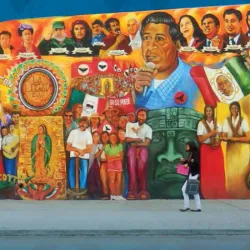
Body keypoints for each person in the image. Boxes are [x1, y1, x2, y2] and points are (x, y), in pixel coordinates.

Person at [134, 12, 199, 110]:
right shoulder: (135, 82)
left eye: (160, 39)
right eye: (146, 38)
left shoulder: (195, 80)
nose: (150, 47)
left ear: (177, 45)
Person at [197, 105, 229, 199]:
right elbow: (200, 139)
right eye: (207, 111)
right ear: (205, 112)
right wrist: (211, 133)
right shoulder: (201, 123)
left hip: (216, 149)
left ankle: (219, 192)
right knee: (207, 171)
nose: (208, 112)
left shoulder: (217, 122)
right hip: (206, 149)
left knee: (218, 170)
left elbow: (221, 136)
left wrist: (218, 142)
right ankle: (207, 192)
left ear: (213, 112)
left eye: (210, 111)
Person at [221, 101, 250, 198]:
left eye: (236, 108)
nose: (234, 110)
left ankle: (243, 194)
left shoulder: (243, 120)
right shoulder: (226, 120)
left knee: (242, 172)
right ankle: (233, 194)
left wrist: (234, 139)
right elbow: (223, 136)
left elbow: (248, 138)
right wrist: (225, 138)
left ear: (238, 109)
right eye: (232, 108)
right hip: (231, 150)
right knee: (231, 172)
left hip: (242, 149)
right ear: (230, 109)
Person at [125, 108, 152, 200]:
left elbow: (146, 143)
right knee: (132, 170)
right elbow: (127, 139)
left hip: (143, 149)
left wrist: (135, 143)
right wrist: (136, 140)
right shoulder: (131, 125)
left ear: (146, 117)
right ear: (137, 116)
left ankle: (143, 191)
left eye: (143, 115)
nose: (141, 117)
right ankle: (132, 192)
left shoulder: (148, 128)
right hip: (132, 149)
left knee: (142, 169)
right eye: (140, 115)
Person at [66, 118, 93, 192]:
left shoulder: (88, 134)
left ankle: (82, 189)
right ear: (78, 124)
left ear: (87, 125)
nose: (82, 124)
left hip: (84, 157)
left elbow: (90, 148)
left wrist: (81, 152)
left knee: (84, 172)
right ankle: (72, 188)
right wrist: (78, 150)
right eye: (81, 123)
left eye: (84, 123)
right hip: (73, 155)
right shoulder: (73, 132)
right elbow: (68, 147)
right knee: (71, 172)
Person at [180, 141, 201, 212]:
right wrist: (184, 161)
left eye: (188, 146)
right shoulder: (191, 153)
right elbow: (190, 162)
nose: (186, 147)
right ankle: (188, 207)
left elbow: (196, 163)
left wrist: (188, 165)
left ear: (191, 146)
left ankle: (197, 207)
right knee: (187, 190)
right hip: (191, 174)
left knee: (193, 191)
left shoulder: (195, 153)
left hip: (194, 174)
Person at [104, 132, 125, 200]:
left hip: (118, 164)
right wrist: (116, 156)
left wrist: (112, 158)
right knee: (112, 180)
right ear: (109, 139)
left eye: (115, 137)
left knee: (118, 180)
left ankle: (118, 195)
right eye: (112, 137)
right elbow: (107, 158)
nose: (113, 139)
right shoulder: (107, 146)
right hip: (111, 165)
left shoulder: (119, 145)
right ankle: (112, 195)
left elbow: (121, 157)